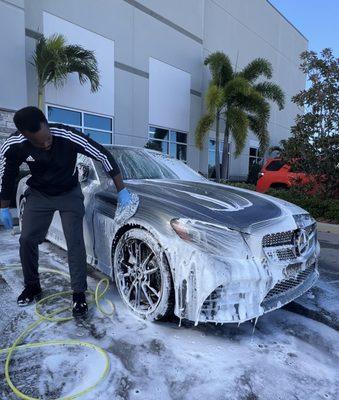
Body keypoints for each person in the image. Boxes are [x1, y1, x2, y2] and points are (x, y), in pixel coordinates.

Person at [0, 106, 139, 317]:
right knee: (27, 239)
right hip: (39, 194)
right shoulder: (14, 144)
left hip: (68, 192)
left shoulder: (67, 135)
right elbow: (6, 173)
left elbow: (102, 154)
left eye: (47, 138)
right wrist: (3, 207)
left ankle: (79, 294)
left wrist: (122, 191)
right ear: (25, 136)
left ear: (47, 125)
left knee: (74, 241)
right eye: (39, 142)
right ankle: (32, 286)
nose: (46, 143)